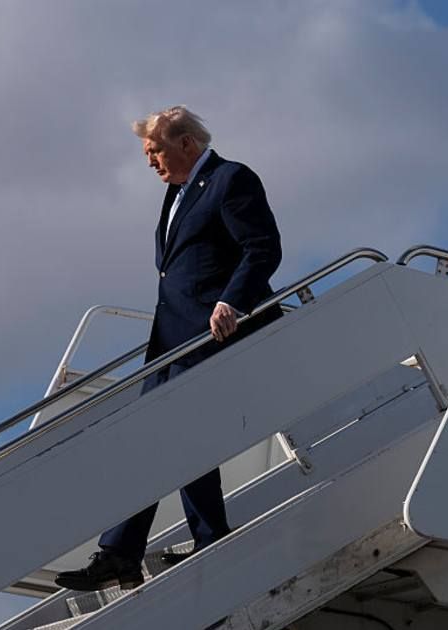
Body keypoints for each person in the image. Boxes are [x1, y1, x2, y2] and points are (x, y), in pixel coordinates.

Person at [54, 106, 283, 592]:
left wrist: (231, 302)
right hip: (171, 340)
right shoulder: (177, 194)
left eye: (154, 150)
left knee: (173, 434)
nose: (150, 162)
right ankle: (153, 547)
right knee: (162, 439)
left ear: (185, 144)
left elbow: (262, 247)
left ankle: (139, 548)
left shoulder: (229, 179)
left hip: (212, 334)